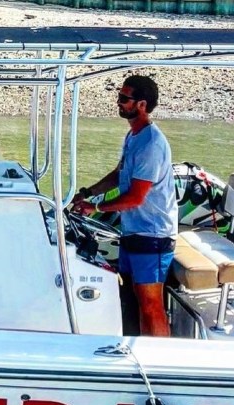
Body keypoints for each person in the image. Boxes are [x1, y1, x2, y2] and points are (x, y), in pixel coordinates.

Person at [72, 75, 177, 337]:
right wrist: (88, 193)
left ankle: (162, 363)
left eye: (124, 98)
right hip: (134, 230)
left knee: (151, 305)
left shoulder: (151, 143)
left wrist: (95, 209)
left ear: (141, 104)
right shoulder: (133, 136)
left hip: (152, 235)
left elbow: (135, 197)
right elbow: (120, 175)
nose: (118, 102)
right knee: (131, 298)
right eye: (119, 97)